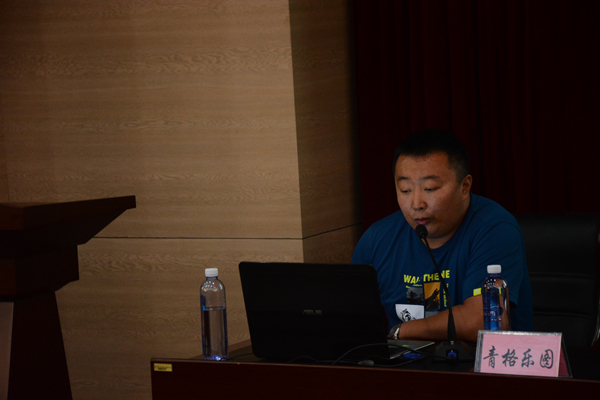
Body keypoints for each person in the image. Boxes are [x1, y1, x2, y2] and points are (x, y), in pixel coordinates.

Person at [352, 129, 534, 343]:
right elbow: (349, 320)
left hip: (478, 363)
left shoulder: (495, 229)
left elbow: (483, 321)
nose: (417, 204)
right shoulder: (376, 240)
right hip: (404, 363)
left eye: (430, 189)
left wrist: (402, 331)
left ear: (464, 187)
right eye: (405, 190)